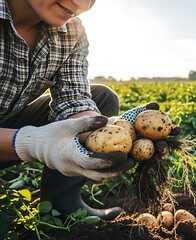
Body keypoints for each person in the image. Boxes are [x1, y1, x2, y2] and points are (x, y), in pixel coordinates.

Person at [0, 0, 159, 220]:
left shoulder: (71, 30)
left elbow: (75, 102)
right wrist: (30, 142)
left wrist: (111, 132)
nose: (81, 4)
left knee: (101, 99)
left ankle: (62, 208)